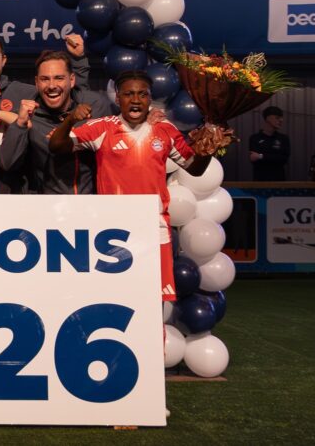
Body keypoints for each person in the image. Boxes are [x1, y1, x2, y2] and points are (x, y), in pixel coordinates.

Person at [48, 71, 223, 302]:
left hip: (154, 227)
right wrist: (71, 119)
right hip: (112, 229)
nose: (136, 100)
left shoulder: (165, 129)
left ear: (150, 98)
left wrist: (209, 148)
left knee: (155, 299)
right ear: (117, 98)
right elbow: (56, 146)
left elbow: (195, 168)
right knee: (116, 296)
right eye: (128, 94)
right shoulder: (103, 127)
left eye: (142, 94)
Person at [0, 33, 91, 194]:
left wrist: (78, 60)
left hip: (17, 194)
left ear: (3, 60)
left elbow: (69, 93)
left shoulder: (23, 92)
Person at [0, 49, 114, 195]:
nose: (52, 85)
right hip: (44, 203)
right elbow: (7, 164)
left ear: (72, 80)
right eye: (45, 79)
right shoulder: (27, 114)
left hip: (90, 203)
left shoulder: (96, 105)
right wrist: (20, 125)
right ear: (36, 83)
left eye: (59, 78)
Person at [248, 106, 290, 181]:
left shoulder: (283, 138)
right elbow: (254, 159)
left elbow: (283, 159)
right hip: (260, 182)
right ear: (268, 118)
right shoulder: (255, 138)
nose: (281, 120)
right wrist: (274, 157)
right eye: (277, 118)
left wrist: (261, 156)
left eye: (281, 118)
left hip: (279, 182)